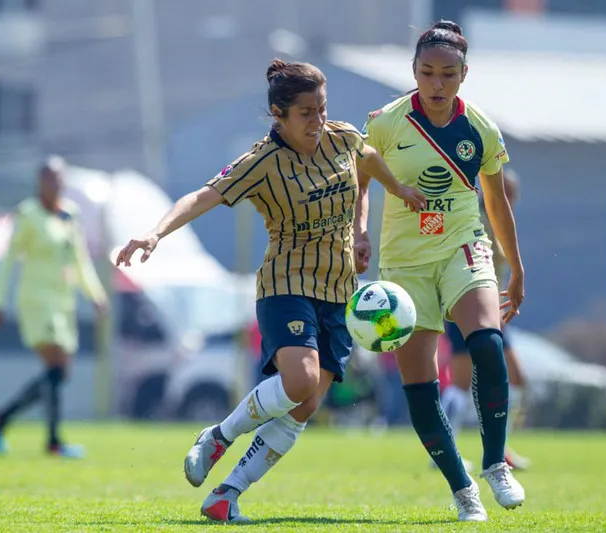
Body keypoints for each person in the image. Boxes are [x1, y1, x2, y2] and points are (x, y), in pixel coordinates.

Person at [116, 59, 425, 524]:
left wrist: (387, 200)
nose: (318, 121)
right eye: (306, 113)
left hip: (339, 291)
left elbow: (367, 160)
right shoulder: (261, 162)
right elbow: (203, 196)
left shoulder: (341, 137)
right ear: (279, 114)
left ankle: (226, 494)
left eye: (322, 109)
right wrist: (155, 233)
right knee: (300, 382)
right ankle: (219, 436)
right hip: (286, 285)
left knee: (307, 404)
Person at [355, 21, 526, 521]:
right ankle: (462, 488)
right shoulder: (385, 123)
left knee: (488, 345)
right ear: (413, 71)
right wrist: (360, 233)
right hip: (404, 264)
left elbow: (496, 203)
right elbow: (361, 185)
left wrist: (516, 267)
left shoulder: (481, 128)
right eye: (427, 72)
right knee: (420, 382)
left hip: (463, 247)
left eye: (447, 74)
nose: (436, 83)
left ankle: (495, 464)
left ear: (463, 75)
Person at [0, 155, 109, 458]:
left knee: (60, 372)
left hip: (62, 303)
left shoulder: (69, 214)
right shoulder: (28, 214)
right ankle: (53, 441)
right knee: (55, 367)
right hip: (36, 302)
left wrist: (95, 295)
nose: (55, 183)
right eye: (50, 178)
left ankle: (3, 417)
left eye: (59, 178)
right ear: (40, 181)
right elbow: (8, 258)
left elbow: (79, 260)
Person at [441, 168, 531, 471]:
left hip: (491, 311)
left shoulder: (501, 221)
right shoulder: (476, 221)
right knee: (461, 382)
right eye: (506, 191)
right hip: (467, 307)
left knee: (515, 377)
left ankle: (500, 447)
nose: (511, 197)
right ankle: (444, 448)